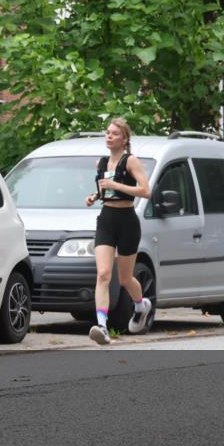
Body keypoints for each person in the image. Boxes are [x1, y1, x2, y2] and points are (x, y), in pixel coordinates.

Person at [84, 117, 152, 345]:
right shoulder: (101, 164)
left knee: (125, 279)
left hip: (127, 221)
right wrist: (95, 197)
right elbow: (104, 191)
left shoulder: (130, 161)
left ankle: (141, 305)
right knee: (103, 274)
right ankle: (102, 326)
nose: (109, 136)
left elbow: (146, 191)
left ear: (124, 139)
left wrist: (116, 186)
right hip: (106, 219)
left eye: (114, 133)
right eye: (107, 132)